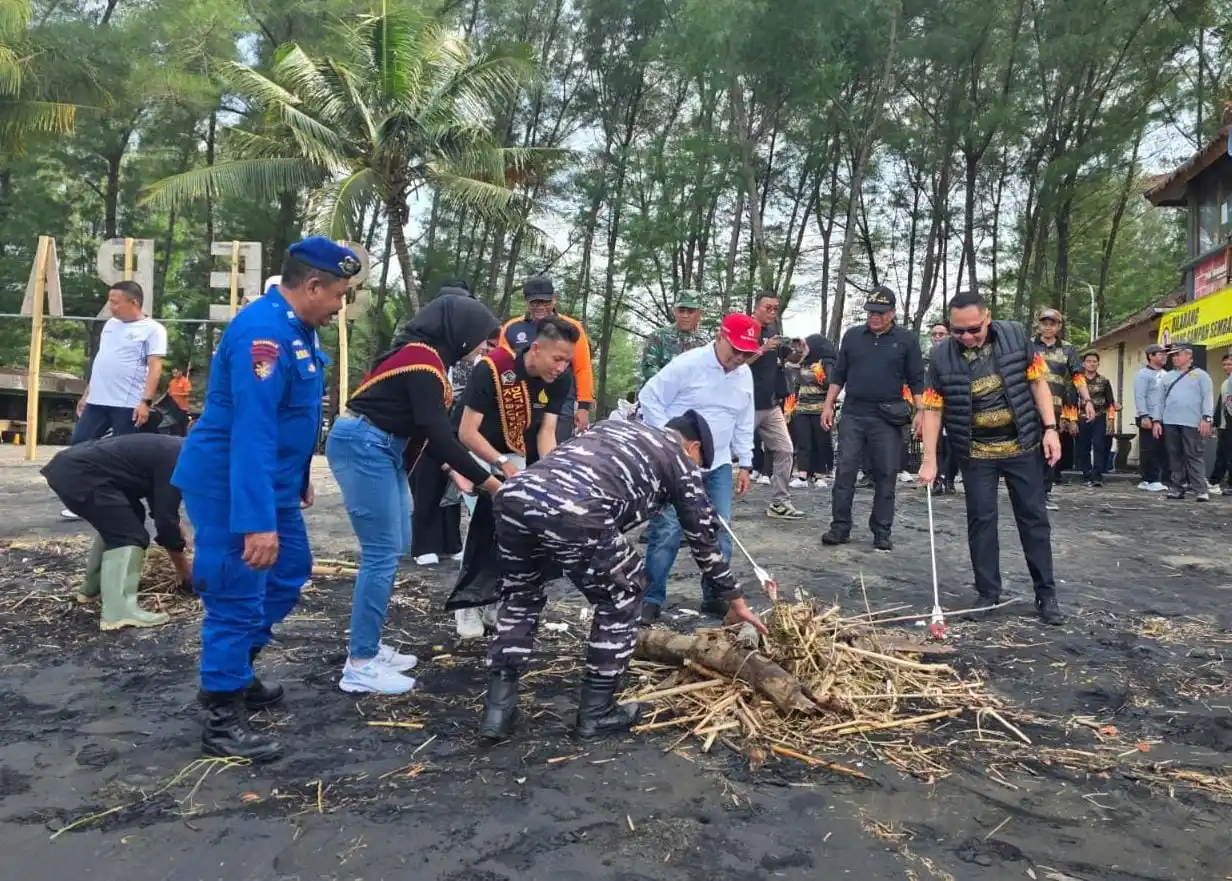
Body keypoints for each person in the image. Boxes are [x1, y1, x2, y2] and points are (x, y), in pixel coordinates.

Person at [173, 237, 360, 762]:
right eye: (338, 295)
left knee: (288, 570)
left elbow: (289, 417)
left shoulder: (295, 328)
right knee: (238, 592)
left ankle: (239, 667)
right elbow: (251, 432)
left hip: (269, 482)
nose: (340, 306)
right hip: (232, 483)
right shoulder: (264, 334)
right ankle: (221, 715)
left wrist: (297, 477)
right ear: (312, 285)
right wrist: (256, 522)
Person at [479, 412, 767, 742]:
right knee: (625, 594)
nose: (698, 471)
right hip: (577, 507)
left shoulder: (612, 427)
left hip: (514, 494)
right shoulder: (679, 458)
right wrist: (735, 601)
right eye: (700, 463)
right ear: (694, 447)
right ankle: (596, 713)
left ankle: (497, 713)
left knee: (520, 595)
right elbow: (704, 540)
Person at [329, 295, 504, 694]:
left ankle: (368, 646)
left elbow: (431, 434)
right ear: (459, 333)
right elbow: (439, 435)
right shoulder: (422, 363)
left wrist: (463, 473)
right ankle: (360, 662)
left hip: (382, 446)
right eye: (480, 339)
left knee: (395, 547)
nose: (483, 347)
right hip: (365, 445)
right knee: (380, 552)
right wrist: (490, 483)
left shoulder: (423, 358)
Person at [917, 292, 1064, 625]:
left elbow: (1038, 382)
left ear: (988, 318)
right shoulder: (940, 358)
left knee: (1034, 519)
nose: (967, 337)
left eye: (973, 330)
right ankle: (988, 593)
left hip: (1022, 444)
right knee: (981, 521)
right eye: (958, 331)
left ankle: (1046, 594)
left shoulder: (1015, 336)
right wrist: (930, 459)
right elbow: (932, 409)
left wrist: (1050, 428)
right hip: (975, 451)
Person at [449, 316, 579, 638]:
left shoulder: (560, 380)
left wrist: (553, 473)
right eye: (557, 359)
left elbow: (546, 432)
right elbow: (466, 432)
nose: (561, 367)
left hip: (520, 456)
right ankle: (467, 603)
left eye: (567, 361)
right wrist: (500, 462)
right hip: (480, 454)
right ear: (536, 349)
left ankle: (493, 598)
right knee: (484, 524)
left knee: (516, 534)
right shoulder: (493, 369)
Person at [637, 313, 757, 623]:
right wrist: (669, 441)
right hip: (679, 463)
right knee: (667, 530)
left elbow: (744, 420)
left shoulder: (744, 375)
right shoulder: (688, 364)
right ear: (720, 336)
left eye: (746, 353)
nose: (739, 359)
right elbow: (649, 397)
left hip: (717, 465)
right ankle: (650, 597)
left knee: (721, 530)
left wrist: (745, 462)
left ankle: (714, 595)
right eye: (735, 350)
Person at [43, 434, 191, 630]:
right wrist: (185, 572)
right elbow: (165, 521)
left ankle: (90, 589)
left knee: (129, 518)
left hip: (70, 467)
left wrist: (176, 525)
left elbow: (162, 508)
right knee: (129, 536)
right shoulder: (180, 459)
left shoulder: (176, 448)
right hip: (80, 474)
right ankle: (119, 612)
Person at [821, 286, 924, 551]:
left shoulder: (906, 340)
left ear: (892, 313)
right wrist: (828, 405)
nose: (874, 317)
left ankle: (881, 530)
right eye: (870, 312)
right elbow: (839, 374)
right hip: (854, 411)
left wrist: (922, 411)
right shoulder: (853, 336)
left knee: (886, 473)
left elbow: (916, 379)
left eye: (880, 312)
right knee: (845, 470)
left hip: (887, 415)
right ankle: (839, 527)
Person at [71, 281, 168, 445]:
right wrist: (87, 394)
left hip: (127, 404)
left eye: (115, 302)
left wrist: (146, 402)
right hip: (97, 400)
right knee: (79, 443)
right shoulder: (110, 325)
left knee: (121, 451)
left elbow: (155, 368)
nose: (110, 306)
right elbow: (102, 361)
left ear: (134, 302)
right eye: (109, 301)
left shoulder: (153, 329)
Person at [499, 275, 593, 438]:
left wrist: (584, 406)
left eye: (545, 302)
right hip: (521, 399)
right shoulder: (512, 328)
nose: (541, 307)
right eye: (535, 302)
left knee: (555, 450)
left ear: (554, 299)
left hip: (561, 399)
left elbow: (582, 367)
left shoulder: (571, 327)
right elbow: (501, 364)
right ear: (526, 302)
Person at [746, 292, 803, 520]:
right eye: (767, 308)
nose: (771, 312)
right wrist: (762, 348)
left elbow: (792, 360)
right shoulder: (746, 330)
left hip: (770, 405)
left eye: (775, 309)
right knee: (718, 452)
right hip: (745, 404)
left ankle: (780, 501)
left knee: (785, 449)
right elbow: (736, 361)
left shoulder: (773, 333)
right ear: (756, 308)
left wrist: (800, 351)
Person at [1032, 309, 1095, 505]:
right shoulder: (1028, 346)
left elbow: (1077, 376)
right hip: (1028, 405)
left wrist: (1087, 400)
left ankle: (1044, 491)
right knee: (1029, 448)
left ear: (1058, 327)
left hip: (1054, 408)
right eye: (1044, 323)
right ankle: (1028, 491)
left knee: (1049, 448)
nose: (1048, 327)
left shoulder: (1068, 350)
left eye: (1052, 323)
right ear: (1039, 324)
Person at [1152, 342, 1214, 501]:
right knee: (1174, 455)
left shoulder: (1201, 376)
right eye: (1173, 355)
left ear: (1188, 356)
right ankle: (1177, 487)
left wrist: (1207, 417)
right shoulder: (1167, 377)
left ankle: (1200, 489)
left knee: (1194, 454)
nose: (1175, 358)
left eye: (1178, 355)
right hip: (1170, 421)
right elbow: (1159, 401)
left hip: (1192, 422)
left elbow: (1208, 398)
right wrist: (1157, 420)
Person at [788, 334, 836, 488]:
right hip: (802, 407)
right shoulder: (801, 363)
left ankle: (819, 474)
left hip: (820, 407)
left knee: (820, 441)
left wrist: (816, 377)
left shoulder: (826, 363)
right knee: (803, 441)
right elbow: (793, 377)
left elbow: (829, 384)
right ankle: (803, 474)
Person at [641, 289, 709, 384]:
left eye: (690, 311)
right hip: (657, 395)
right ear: (674, 312)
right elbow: (648, 368)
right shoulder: (658, 337)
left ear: (699, 314)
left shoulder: (704, 345)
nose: (685, 315)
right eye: (681, 311)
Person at [926, 322, 959, 495]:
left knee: (952, 446)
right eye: (935, 334)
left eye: (941, 334)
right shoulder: (927, 357)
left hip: (953, 406)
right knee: (935, 444)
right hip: (932, 406)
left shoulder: (955, 356)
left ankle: (949, 477)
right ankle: (937, 478)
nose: (938, 337)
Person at [1075, 352, 1116, 488]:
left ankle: (1097, 475)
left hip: (1099, 417)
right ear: (1083, 363)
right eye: (1089, 361)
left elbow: (1110, 402)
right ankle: (1087, 473)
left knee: (1099, 445)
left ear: (1098, 364)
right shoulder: (1077, 381)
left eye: (1094, 361)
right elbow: (1070, 400)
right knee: (1083, 446)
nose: (1091, 364)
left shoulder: (1104, 381)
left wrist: (1111, 420)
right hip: (1081, 417)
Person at [1133, 344, 1169, 492]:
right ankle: (1151, 478)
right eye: (1160, 354)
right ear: (1151, 356)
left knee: (1161, 448)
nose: (1164, 356)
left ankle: (1152, 478)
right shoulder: (1143, 374)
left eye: (1165, 354)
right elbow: (1140, 396)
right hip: (1148, 417)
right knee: (1149, 448)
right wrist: (1144, 415)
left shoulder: (1166, 374)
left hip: (1162, 417)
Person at [1208, 352, 1232, 495]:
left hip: (1229, 425)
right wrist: (1216, 422)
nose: (1226, 367)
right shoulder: (1226, 382)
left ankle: (1220, 482)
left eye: (1229, 364)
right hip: (1225, 425)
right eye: (1224, 364)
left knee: (1228, 456)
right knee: (1222, 455)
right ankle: (1214, 481)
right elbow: (1221, 404)